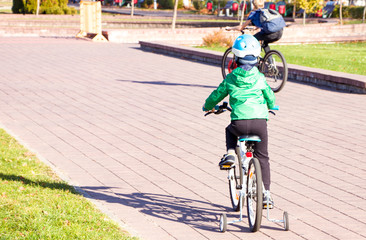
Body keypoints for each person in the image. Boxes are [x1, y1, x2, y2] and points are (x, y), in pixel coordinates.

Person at [202, 34, 276, 208]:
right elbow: (269, 95)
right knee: (263, 157)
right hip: (259, 123)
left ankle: (230, 153)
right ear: (257, 59)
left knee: (229, 130)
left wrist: (208, 106)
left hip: (239, 123)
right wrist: (272, 105)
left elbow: (216, 95)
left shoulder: (230, 78)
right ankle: (266, 195)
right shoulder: (260, 78)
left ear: (235, 58)